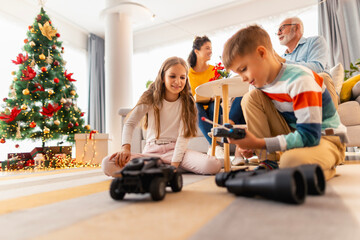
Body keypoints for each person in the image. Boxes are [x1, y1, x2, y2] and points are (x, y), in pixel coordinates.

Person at [221, 25, 346, 180]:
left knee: (290, 162)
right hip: (297, 134)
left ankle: (326, 165)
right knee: (249, 98)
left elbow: (310, 136)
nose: (243, 78)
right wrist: (252, 147)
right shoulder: (258, 84)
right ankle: (269, 161)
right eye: (238, 73)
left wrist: (260, 143)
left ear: (261, 53)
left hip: (325, 137)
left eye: (243, 69)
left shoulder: (299, 79)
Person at [102, 56, 222, 177]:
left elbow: (183, 137)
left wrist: (174, 166)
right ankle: (159, 166)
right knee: (107, 164)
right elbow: (130, 123)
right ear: (163, 77)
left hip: (176, 152)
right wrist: (125, 148)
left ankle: (159, 168)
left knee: (213, 165)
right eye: (172, 76)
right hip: (151, 153)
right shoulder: (150, 97)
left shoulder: (188, 102)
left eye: (182, 77)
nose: (178, 81)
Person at [187, 36, 245, 162]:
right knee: (196, 107)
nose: (210, 51)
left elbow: (219, 92)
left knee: (215, 105)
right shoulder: (188, 74)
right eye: (207, 48)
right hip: (198, 104)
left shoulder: (214, 70)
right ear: (197, 51)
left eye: (211, 48)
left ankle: (214, 146)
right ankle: (217, 146)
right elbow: (190, 97)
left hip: (214, 102)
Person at [275, 17, 338, 109]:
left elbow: (317, 68)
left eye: (282, 28)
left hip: (319, 93)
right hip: (295, 97)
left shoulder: (315, 41)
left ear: (296, 27)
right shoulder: (281, 58)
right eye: (277, 31)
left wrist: (283, 62)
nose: (278, 33)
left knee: (322, 77)